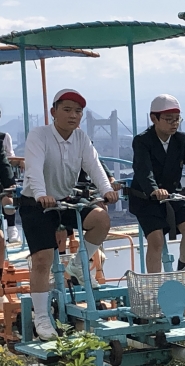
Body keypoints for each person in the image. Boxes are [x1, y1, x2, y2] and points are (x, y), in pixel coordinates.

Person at [19, 89, 119, 341]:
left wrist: (106, 189)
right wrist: (42, 193)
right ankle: (41, 317)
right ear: (53, 112)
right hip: (36, 203)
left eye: (78, 112)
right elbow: (33, 166)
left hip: (64, 201)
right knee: (42, 260)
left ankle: (76, 266)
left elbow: (94, 166)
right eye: (67, 109)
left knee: (101, 219)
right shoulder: (39, 135)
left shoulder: (81, 138)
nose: (73, 116)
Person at [129, 94, 185, 273]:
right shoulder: (142, 141)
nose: (174, 124)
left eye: (177, 119)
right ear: (154, 119)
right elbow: (144, 169)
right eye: (169, 119)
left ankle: (183, 269)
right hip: (146, 199)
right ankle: (155, 286)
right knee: (156, 240)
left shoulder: (181, 140)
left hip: (172, 195)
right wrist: (153, 189)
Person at [0, 108, 21, 243]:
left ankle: (11, 228)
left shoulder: (4, 137)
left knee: (7, 194)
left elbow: (8, 159)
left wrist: (19, 162)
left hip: (3, 178)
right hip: (4, 177)